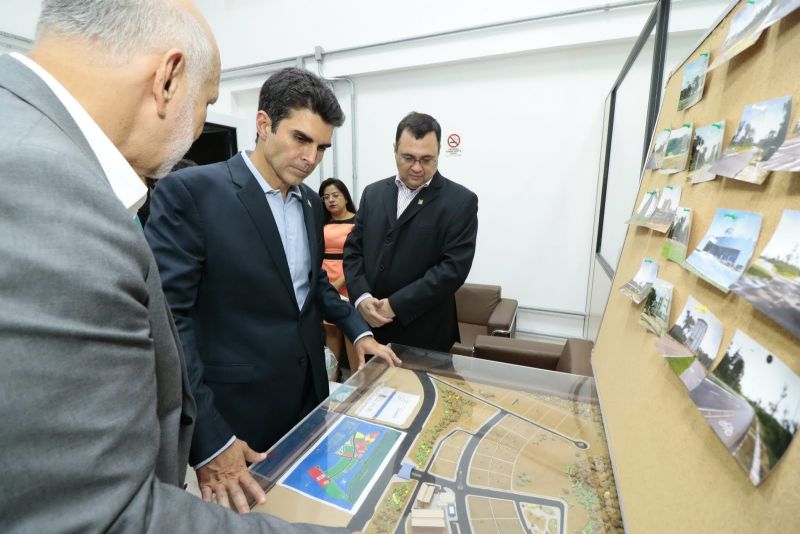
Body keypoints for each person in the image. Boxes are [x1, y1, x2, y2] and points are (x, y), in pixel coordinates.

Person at [0, 1, 333, 532]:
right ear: (168, 78)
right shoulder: (40, 183)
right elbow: (101, 513)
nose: (200, 126)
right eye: (206, 102)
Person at [145, 67, 401, 513]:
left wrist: (358, 331)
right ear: (263, 124)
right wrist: (209, 438)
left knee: (307, 513)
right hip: (238, 412)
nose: (311, 158)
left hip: (309, 397)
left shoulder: (309, 203)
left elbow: (310, 285)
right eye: (301, 139)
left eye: (322, 147)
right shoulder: (192, 193)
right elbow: (169, 323)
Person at [344, 111, 479, 353]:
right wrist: (362, 297)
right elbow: (353, 250)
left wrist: (395, 305)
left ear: (439, 153)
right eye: (408, 158)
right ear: (395, 150)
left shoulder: (460, 201)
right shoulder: (373, 194)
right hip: (371, 327)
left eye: (427, 159)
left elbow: (453, 269)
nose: (417, 168)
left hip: (425, 333)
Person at [318, 178, 359, 375]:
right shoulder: (321, 222)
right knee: (330, 331)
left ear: (345, 197)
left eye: (335, 195)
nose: (331, 200)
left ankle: (358, 377)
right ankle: (332, 379)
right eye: (326, 197)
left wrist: (340, 282)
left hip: (349, 279)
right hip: (325, 278)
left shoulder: (358, 221)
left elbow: (362, 258)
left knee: (351, 331)